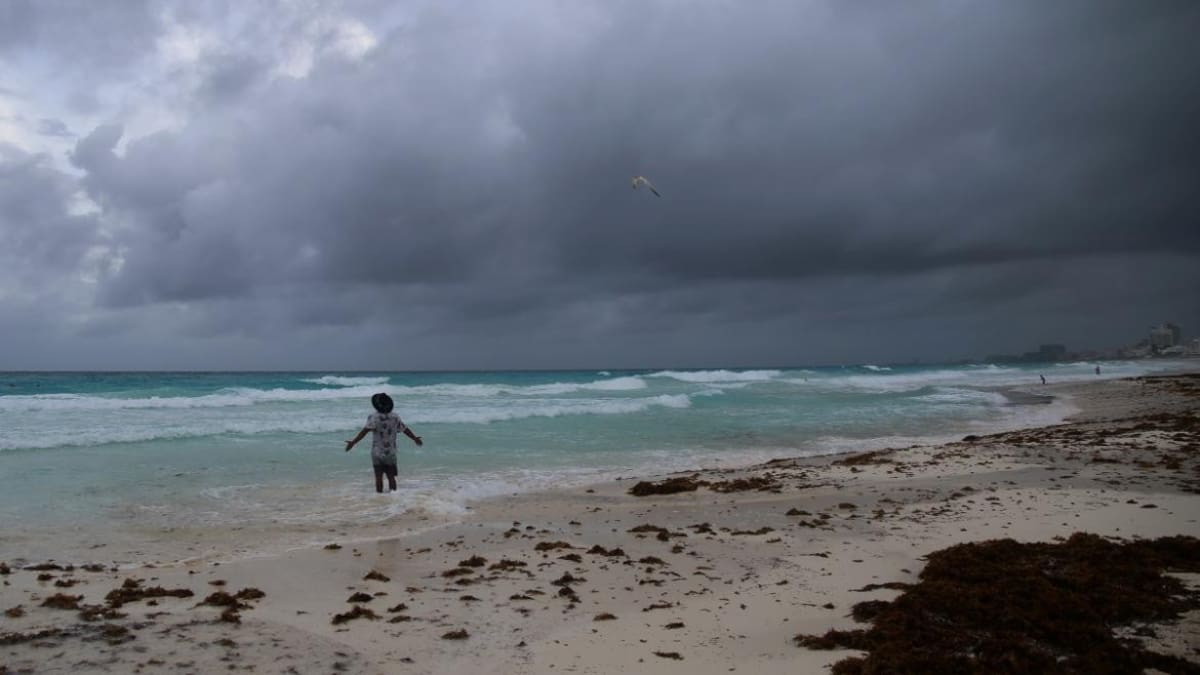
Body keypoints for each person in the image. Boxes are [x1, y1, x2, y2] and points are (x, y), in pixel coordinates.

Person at [344, 393, 423, 493]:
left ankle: (379, 497)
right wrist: (414, 438)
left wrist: (353, 442)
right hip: (391, 452)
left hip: (377, 452)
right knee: (391, 477)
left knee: (378, 477)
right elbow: (405, 429)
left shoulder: (373, 417)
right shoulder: (395, 417)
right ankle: (394, 497)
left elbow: (364, 431)